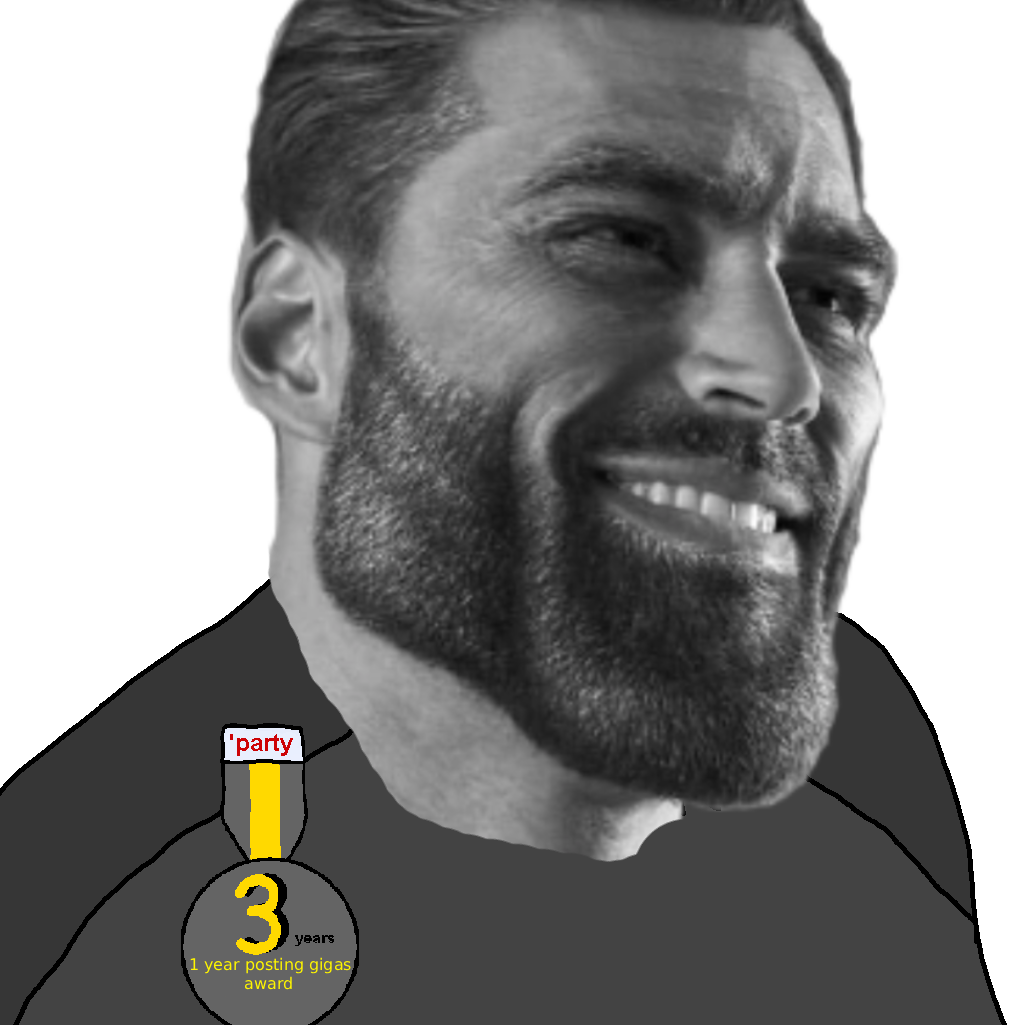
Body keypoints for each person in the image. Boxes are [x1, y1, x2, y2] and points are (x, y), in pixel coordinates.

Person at [7, 1, 998, 1021]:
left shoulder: (882, 828)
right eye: (623, 238)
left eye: (829, 298)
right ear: (297, 338)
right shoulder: (70, 919)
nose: (782, 377)